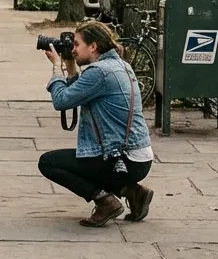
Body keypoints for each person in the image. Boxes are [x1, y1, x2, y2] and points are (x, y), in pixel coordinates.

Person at [38, 22, 155, 227]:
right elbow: (80, 93)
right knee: (81, 160)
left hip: (122, 159)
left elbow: (62, 101)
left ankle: (105, 201)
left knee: (48, 162)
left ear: (93, 46)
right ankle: (133, 191)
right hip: (138, 159)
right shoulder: (119, 65)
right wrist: (70, 64)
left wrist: (57, 69)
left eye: (76, 44)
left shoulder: (99, 72)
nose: (72, 49)